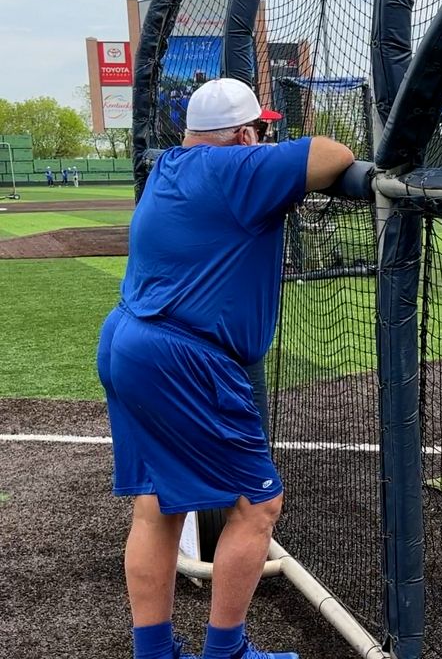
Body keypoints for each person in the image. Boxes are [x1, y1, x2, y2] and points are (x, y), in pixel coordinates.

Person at [96, 78, 356, 659]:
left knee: (157, 504)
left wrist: (256, 153)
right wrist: (261, 154)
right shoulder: (236, 169)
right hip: (182, 358)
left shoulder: (169, 164)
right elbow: (336, 155)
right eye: (260, 131)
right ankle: (226, 652)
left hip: (127, 339)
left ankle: (155, 653)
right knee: (257, 505)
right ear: (243, 135)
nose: (266, 138)